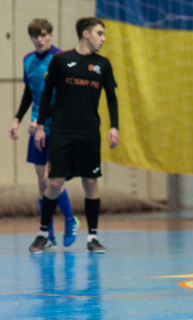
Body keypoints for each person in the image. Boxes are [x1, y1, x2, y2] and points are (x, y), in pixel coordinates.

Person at [28, 17, 119, 254]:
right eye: (100, 33)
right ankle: (43, 234)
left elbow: (111, 97)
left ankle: (93, 237)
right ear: (86, 34)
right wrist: (40, 126)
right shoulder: (61, 60)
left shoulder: (103, 64)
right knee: (54, 183)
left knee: (90, 182)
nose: (103, 38)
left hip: (89, 132)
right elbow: (46, 95)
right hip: (62, 132)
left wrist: (114, 127)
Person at [9, 19, 78, 251]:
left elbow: (64, 96)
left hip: (56, 126)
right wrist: (17, 118)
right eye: (35, 36)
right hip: (36, 127)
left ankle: (70, 220)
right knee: (41, 180)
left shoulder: (61, 59)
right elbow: (29, 92)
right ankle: (48, 235)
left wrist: (41, 120)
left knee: (51, 179)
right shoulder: (28, 60)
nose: (39, 40)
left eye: (43, 35)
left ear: (51, 35)